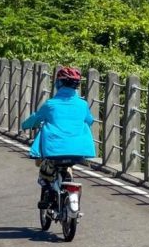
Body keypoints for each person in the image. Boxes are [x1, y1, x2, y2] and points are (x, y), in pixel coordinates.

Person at [21, 67, 95, 209]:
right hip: (78, 151)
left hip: (54, 150)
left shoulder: (50, 104)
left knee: (43, 166)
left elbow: (35, 119)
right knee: (68, 166)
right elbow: (90, 121)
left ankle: (47, 188)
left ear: (59, 84)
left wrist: (25, 125)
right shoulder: (83, 104)